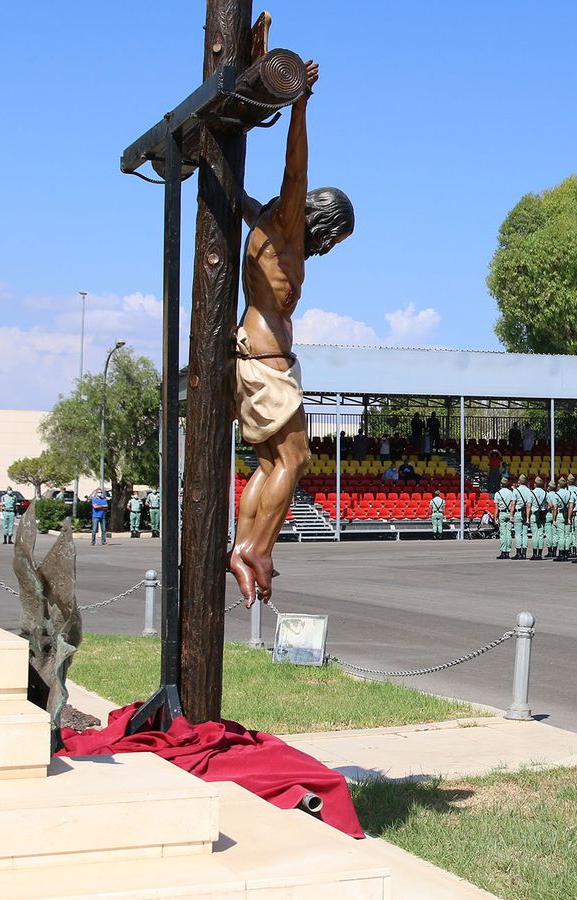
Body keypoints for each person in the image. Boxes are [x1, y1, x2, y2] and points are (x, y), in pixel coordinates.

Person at [228, 58, 353, 606]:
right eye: (335, 235)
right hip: (267, 360)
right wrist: (300, 105)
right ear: (322, 218)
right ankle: (258, 548)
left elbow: (243, 197)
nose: (329, 248)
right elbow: (295, 170)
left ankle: (241, 545)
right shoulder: (286, 226)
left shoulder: (264, 224)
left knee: (270, 462)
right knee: (296, 459)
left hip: (253, 356)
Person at [493, 477, 515, 560]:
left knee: (502, 534)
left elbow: (496, 508)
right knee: (508, 533)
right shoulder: (511, 493)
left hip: (502, 513)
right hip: (509, 512)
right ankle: (508, 551)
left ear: (501, 484)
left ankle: (503, 551)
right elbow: (513, 504)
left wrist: (495, 517)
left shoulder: (497, 494)